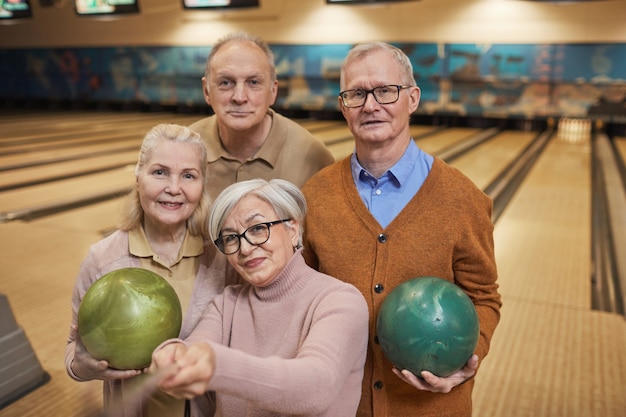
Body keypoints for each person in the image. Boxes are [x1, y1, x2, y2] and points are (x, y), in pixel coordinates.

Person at [301, 42, 502, 417]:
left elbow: (484, 297)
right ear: (343, 105)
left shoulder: (463, 199)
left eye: (385, 91)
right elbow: (301, 295)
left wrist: (464, 363)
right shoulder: (315, 195)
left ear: (412, 98)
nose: (370, 104)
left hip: (431, 407)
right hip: (339, 405)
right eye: (356, 93)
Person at [150, 178, 369, 417]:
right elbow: (196, 347)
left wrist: (218, 365)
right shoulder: (227, 304)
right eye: (231, 238)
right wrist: (173, 354)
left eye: (257, 228)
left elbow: (315, 387)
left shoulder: (340, 301)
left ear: (292, 229)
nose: (244, 248)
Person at [65, 123, 239, 417]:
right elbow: (74, 348)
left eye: (188, 176)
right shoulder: (104, 258)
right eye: (159, 172)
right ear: (138, 178)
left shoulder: (223, 257)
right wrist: (81, 367)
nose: (173, 188)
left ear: (202, 184)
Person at [188, 31, 335, 201]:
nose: (239, 97)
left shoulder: (314, 157)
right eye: (226, 82)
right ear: (206, 90)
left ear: (273, 91)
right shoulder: (183, 148)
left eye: (253, 82)